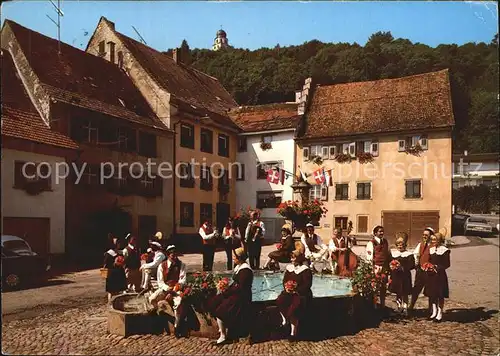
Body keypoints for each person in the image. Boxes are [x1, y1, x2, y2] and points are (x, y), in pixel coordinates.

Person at [207, 247, 254, 345]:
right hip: (236, 294)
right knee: (214, 301)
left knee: (221, 310)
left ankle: (223, 336)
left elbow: (240, 288)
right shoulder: (239, 267)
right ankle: (222, 329)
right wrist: (225, 289)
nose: (233, 258)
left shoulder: (245, 270)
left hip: (242, 298)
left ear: (240, 258)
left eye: (234, 257)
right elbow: (235, 285)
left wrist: (226, 292)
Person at [147, 245, 188, 337]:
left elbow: (182, 280)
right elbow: (160, 282)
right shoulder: (162, 266)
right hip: (165, 288)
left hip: (175, 289)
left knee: (178, 304)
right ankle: (159, 313)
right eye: (171, 253)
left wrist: (173, 291)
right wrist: (167, 290)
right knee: (152, 299)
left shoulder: (182, 265)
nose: (173, 255)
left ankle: (177, 326)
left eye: (174, 253)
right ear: (168, 254)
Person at [276, 250, 313, 342]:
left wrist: (295, 290)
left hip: (301, 294)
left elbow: (307, 285)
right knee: (280, 299)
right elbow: (285, 281)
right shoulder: (289, 268)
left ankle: (293, 332)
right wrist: (287, 288)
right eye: (291, 257)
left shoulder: (305, 270)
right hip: (289, 293)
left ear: (299, 258)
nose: (292, 259)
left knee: (294, 305)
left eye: (294, 257)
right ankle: (285, 319)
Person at [424, 233, 451, 322]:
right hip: (431, 275)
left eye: (435, 240)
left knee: (440, 295)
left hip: (440, 275)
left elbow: (447, 264)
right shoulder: (431, 250)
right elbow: (429, 261)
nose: (433, 241)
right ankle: (434, 312)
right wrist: (428, 266)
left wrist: (436, 267)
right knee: (432, 294)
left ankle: (440, 313)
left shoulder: (445, 250)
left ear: (439, 240)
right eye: (432, 240)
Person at [388, 232, 415, 316]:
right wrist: (392, 267)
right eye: (398, 245)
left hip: (405, 276)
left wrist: (402, 267)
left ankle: (405, 308)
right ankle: (399, 307)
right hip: (396, 276)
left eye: (402, 245)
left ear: (405, 245)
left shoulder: (409, 254)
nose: (400, 246)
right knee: (398, 292)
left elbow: (412, 265)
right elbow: (390, 263)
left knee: (405, 292)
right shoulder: (394, 253)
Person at [409, 227, 434, 311]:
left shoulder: (433, 246)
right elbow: (415, 255)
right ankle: (411, 306)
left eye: (426, 235)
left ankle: (431, 309)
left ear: (431, 236)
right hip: (420, 270)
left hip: (430, 271)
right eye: (423, 235)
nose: (424, 236)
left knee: (430, 291)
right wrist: (416, 265)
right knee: (416, 289)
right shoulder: (420, 244)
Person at [365, 225, 390, 308]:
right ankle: (374, 305)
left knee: (383, 287)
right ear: (375, 233)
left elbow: (388, 254)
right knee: (375, 287)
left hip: (384, 268)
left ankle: (383, 305)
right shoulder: (371, 243)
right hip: (375, 267)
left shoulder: (385, 242)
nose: (381, 233)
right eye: (379, 231)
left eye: (382, 231)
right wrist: (371, 269)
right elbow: (369, 258)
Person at [103, 237, 127, 302]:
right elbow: (105, 265)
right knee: (111, 291)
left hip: (119, 274)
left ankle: (118, 305)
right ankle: (110, 304)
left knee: (118, 292)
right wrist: (114, 264)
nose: (119, 244)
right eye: (118, 243)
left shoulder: (119, 252)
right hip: (112, 275)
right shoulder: (108, 253)